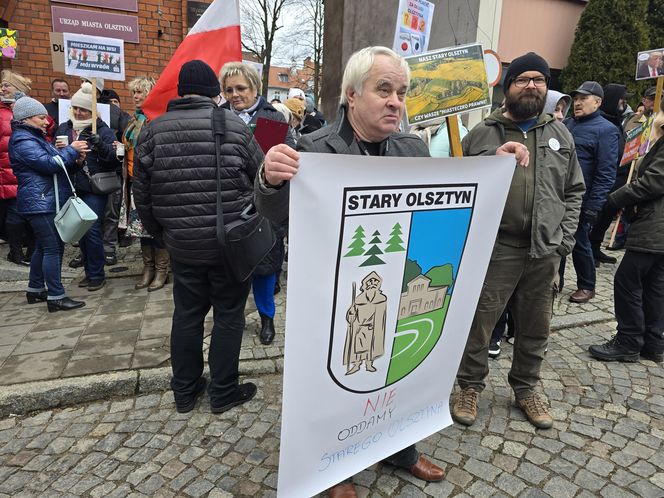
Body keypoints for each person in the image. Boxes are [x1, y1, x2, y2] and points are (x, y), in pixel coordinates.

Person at [256, 45, 529, 498]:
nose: (395, 102)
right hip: (332, 296)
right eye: (384, 90)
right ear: (351, 94)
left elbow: (449, 198)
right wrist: (268, 178)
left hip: (395, 288)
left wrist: (494, 165)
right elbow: (272, 212)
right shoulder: (314, 148)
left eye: (401, 92)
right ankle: (332, 468)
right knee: (337, 379)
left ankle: (400, 450)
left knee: (397, 376)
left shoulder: (412, 147)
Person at [452, 52, 585, 430]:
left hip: (545, 251)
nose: (531, 85)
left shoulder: (560, 134)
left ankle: (526, 387)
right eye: (522, 79)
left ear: (546, 89)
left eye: (539, 80)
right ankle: (469, 385)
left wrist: (565, 239)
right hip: (496, 249)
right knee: (479, 322)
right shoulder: (482, 133)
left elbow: (575, 190)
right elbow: (459, 186)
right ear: (507, 87)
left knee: (535, 325)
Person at [133, 60, 264, 414]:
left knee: (187, 315)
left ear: (180, 93)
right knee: (229, 315)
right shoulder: (234, 127)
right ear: (214, 91)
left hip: (183, 245)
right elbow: (262, 179)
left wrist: (163, 234)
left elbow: (141, 195)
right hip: (229, 245)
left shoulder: (153, 130)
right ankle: (223, 392)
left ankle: (185, 392)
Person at [219, 61, 293, 345]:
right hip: (227, 206)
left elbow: (266, 165)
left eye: (241, 88)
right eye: (229, 90)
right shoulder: (218, 116)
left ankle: (267, 317)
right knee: (232, 272)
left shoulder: (271, 119)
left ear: (255, 89)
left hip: (262, 207)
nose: (235, 95)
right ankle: (232, 319)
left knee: (264, 266)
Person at [588, 109, 664, 363]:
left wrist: (616, 198)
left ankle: (629, 341)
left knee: (627, 280)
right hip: (656, 226)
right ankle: (652, 342)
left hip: (655, 225)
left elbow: (654, 181)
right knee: (654, 284)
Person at [9, 96, 88, 311]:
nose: (46, 122)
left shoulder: (33, 138)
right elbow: (48, 164)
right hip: (41, 202)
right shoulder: (23, 140)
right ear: (26, 119)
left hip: (43, 200)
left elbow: (57, 167)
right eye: (41, 117)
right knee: (53, 248)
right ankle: (56, 296)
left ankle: (35, 289)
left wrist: (76, 161)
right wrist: (71, 150)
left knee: (43, 247)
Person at [55, 82, 119, 292]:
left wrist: (100, 144)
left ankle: (97, 274)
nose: (79, 112)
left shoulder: (102, 130)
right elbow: (53, 155)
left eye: (84, 109)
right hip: (71, 185)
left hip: (92, 187)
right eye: (76, 108)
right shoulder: (65, 128)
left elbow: (112, 161)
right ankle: (90, 272)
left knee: (91, 229)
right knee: (78, 231)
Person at [562, 81, 620, 303]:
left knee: (579, 242)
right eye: (576, 98)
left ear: (597, 102)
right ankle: (555, 281)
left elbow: (606, 173)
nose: (577, 102)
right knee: (557, 241)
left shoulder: (606, 130)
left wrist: (594, 206)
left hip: (582, 200)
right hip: (558, 195)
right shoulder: (568, 124)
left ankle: (587, 285)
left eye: (583, 99)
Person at [121, 76, 170, 291]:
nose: (136, 96)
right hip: (134, 182)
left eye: (140, 92)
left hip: (154, 186)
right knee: (141, 229)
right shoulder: (134, 120)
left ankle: (161, 270)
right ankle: (148, 267)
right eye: (134, 93)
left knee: (156, 229)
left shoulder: (157, 120)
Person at [590, 84, 631, 267]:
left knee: (606, 218)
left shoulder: (617, 120)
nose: (625, 102)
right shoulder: (603, 123)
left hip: (617, 184)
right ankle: (588, 250)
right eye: (622, 99)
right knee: (597, 218)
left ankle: (595, 247)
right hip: (606, 182)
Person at [1, 69, 36, 266]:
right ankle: (15, 251)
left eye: (7, 84)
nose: (3, 88)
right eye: (3, 85)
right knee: (15, 214)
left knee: (29, 214)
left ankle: (31, 250)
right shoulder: (1, 111)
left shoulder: (30, 108)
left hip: (26, 168)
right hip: (7, 169)